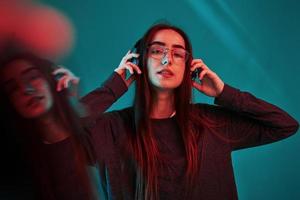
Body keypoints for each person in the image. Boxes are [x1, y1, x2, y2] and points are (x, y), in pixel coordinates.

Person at [59, 23, 299, 200]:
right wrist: (112, 87)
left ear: (188, 66)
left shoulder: (210, 123)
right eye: (156, 51)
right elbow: (58, 143)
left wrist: (223, 92)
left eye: (177, 54)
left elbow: (284, 124)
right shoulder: (110, 129)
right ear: (138, 61)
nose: (167, 61)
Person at [0, 52, 98, 199]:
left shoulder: (94, 132)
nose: (26, 89)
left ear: (50, 79)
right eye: (13, 88)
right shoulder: (23, 170)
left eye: (32, 77)